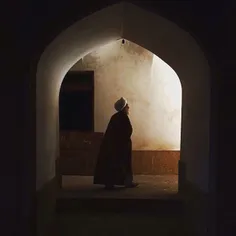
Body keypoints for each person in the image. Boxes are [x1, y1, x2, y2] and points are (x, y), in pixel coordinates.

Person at [93, 97, 138, 190]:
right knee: (121, 163)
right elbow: (127, 131)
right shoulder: (123, 117)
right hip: (120, 146)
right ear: (124, 107)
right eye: (127, 106)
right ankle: (126, 182)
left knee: (112, 163)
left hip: (113, 146)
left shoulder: (115, 117)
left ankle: (110, 183)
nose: (129, 107)